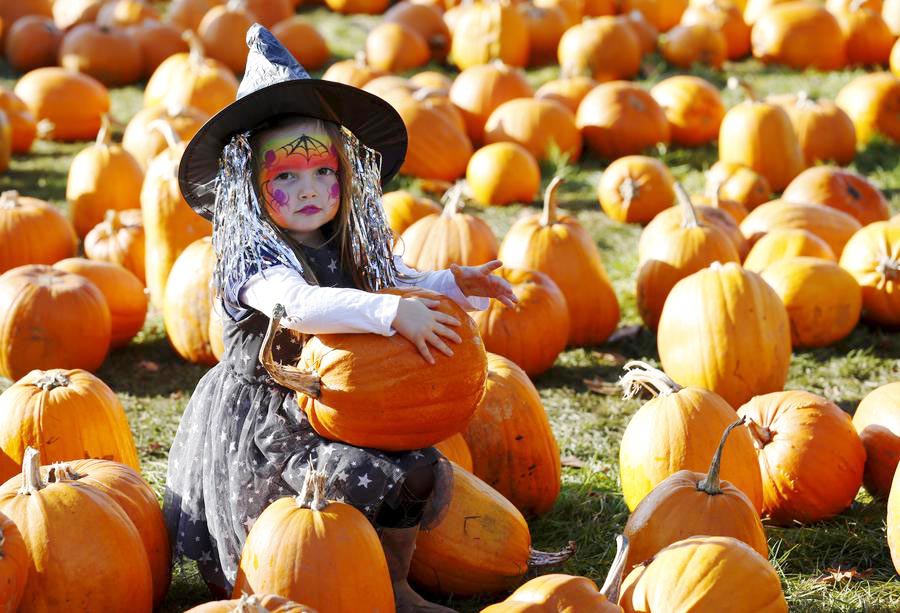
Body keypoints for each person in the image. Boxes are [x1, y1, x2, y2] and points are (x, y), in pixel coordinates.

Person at [163, 24, 516, 612]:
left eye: (323, 171)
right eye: (285, 177)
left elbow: (392, 280)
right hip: (275, 415)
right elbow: (300, 305)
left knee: (422, 467)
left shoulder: (343, 239)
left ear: (344, 174)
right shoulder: (253, 260)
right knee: (340, 484)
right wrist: (391, 314)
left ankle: (394, 586)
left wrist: (452, 284)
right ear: (250, 188)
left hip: (353, 396)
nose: (310, 188)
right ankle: (312, 581)